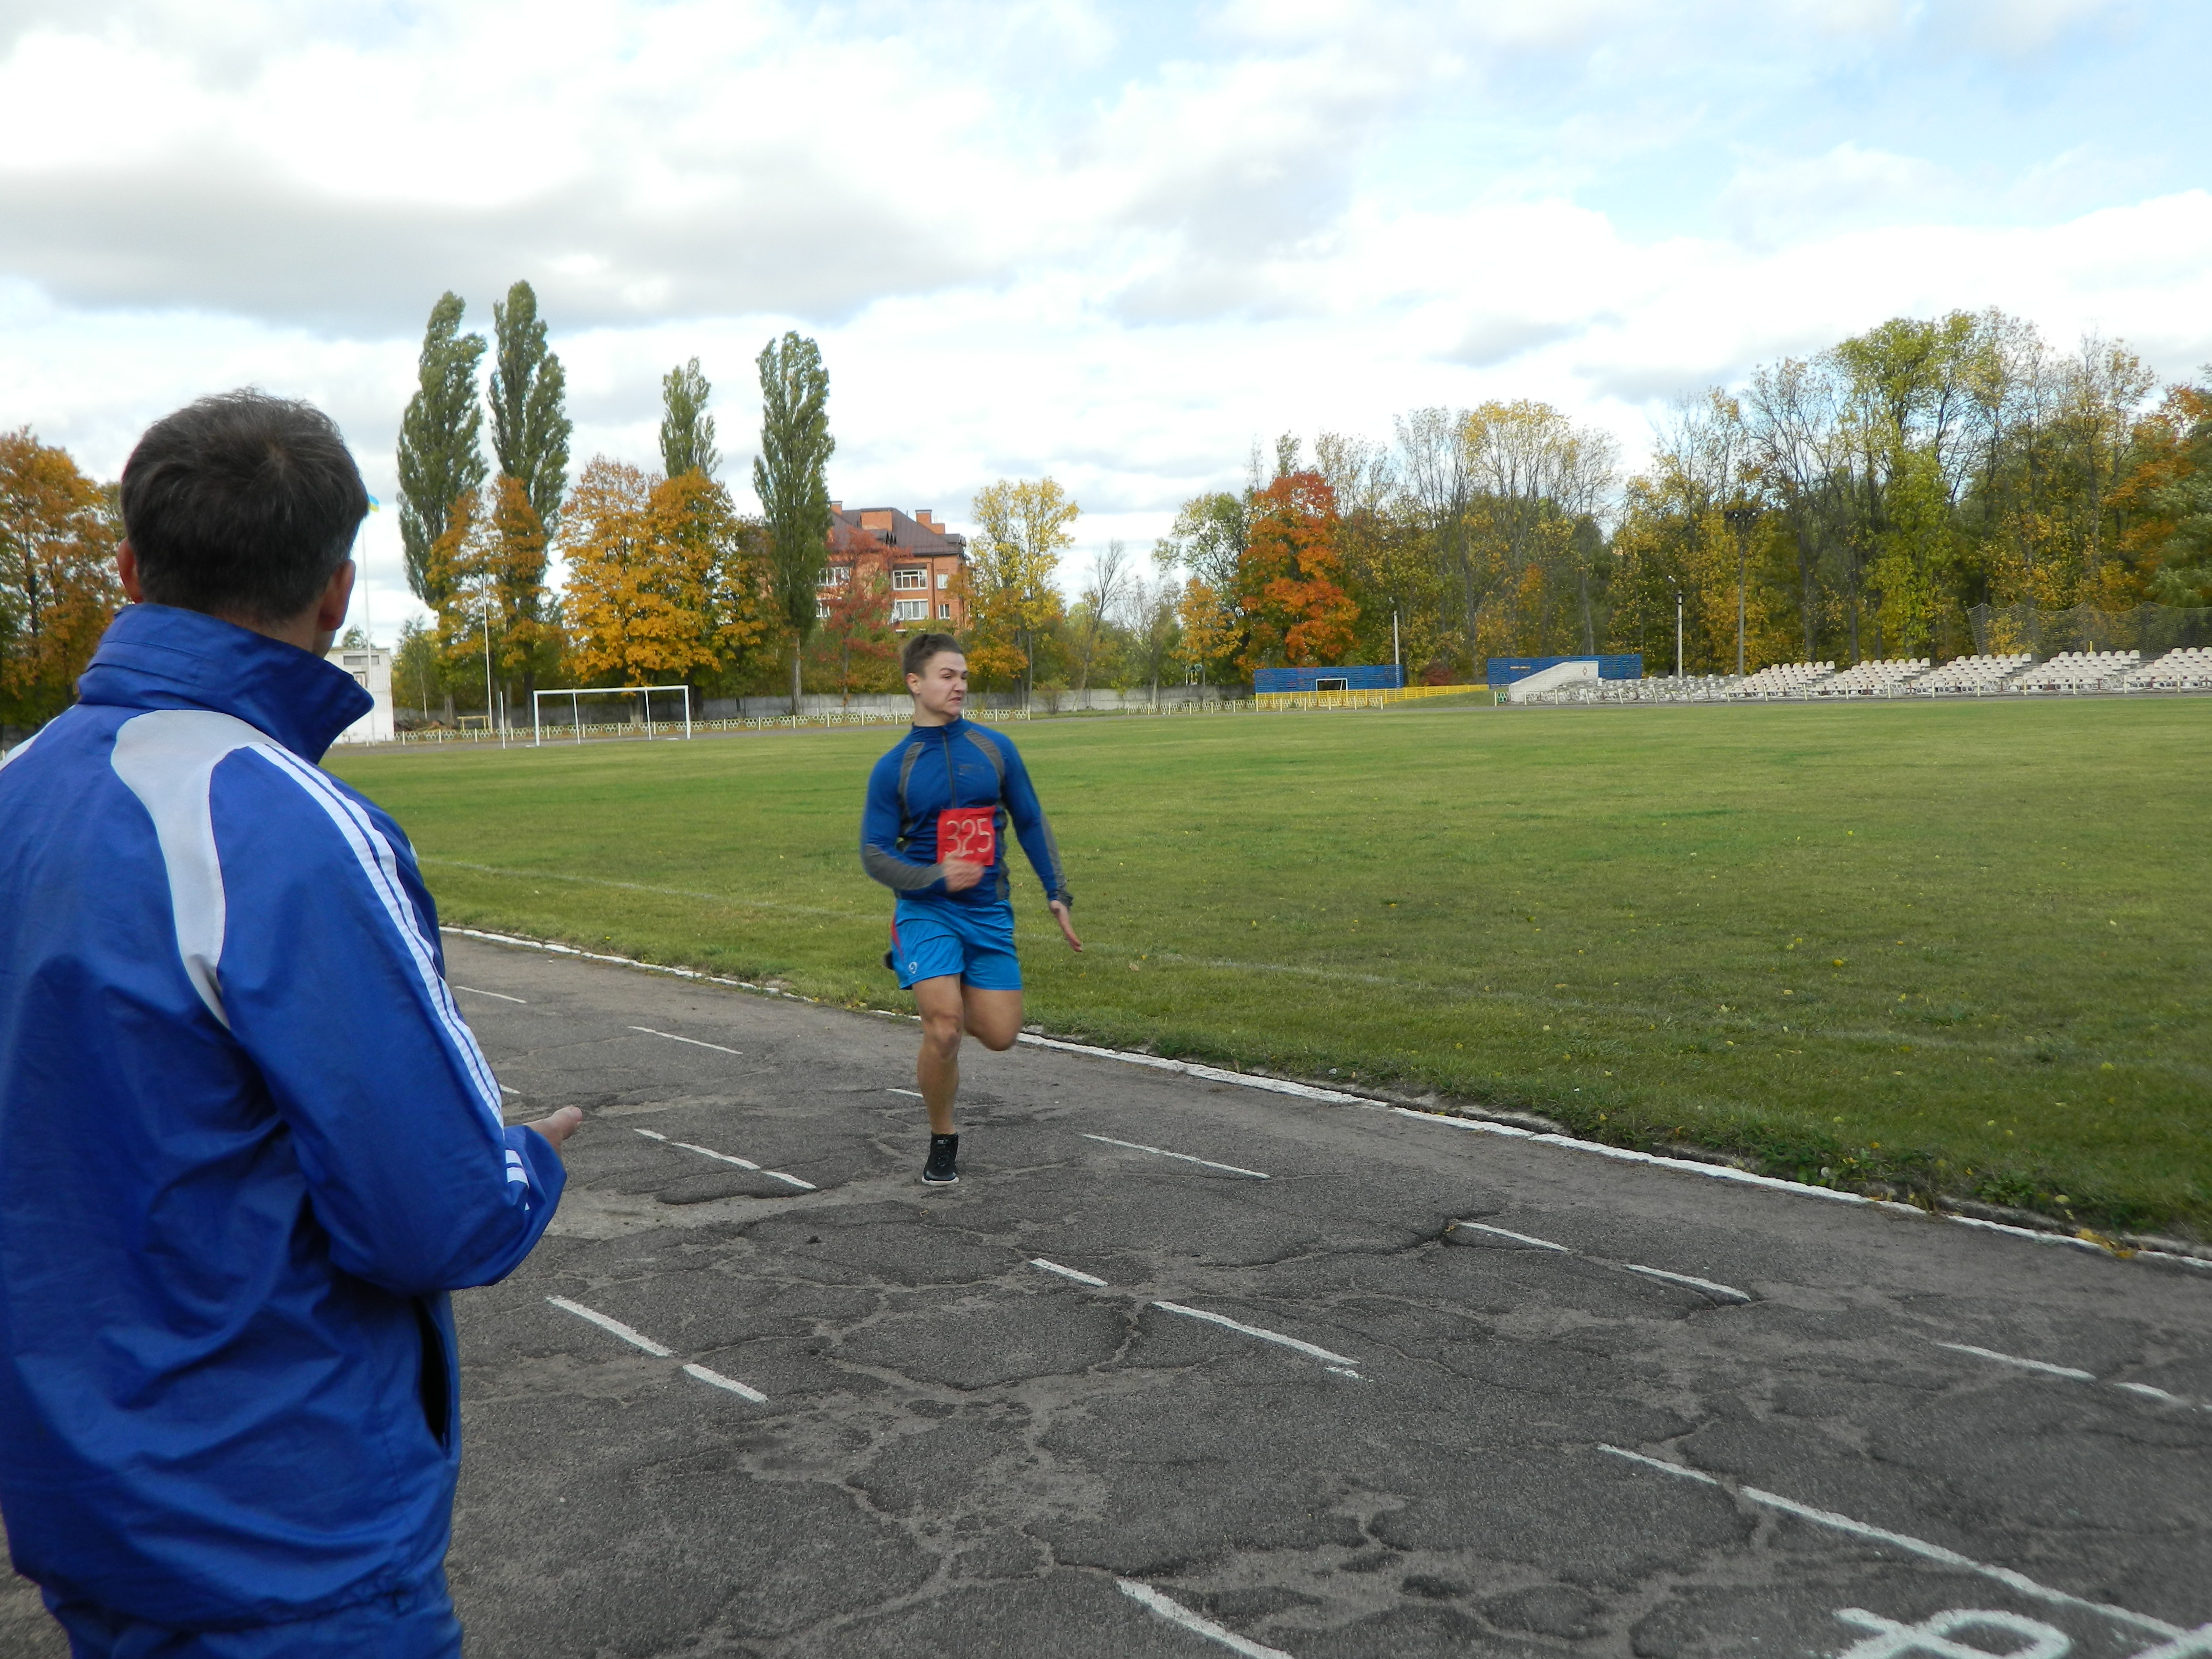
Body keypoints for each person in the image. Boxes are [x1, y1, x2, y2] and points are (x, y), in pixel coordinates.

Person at [0, 392, 581, 1658]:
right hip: (277, 1529)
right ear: (336, 592)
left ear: (129, 566)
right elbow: (431, 1212)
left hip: (76, 1491)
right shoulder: (278, 818)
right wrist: (528, 1156)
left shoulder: (18, 784)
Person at [861, 632, 1081, 1184]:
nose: (959, 685)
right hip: (925, 910)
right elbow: (874, 853)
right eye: (946, 676)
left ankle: (936, 971)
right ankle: (943, 1137)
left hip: (988, 913)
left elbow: (1030, 819)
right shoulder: (895, 767)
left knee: (1002, 1034)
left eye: (963, 676)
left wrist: (1057, 892)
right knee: (945, 1030)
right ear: (915, 683)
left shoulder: (994, 749)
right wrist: (935, 876)